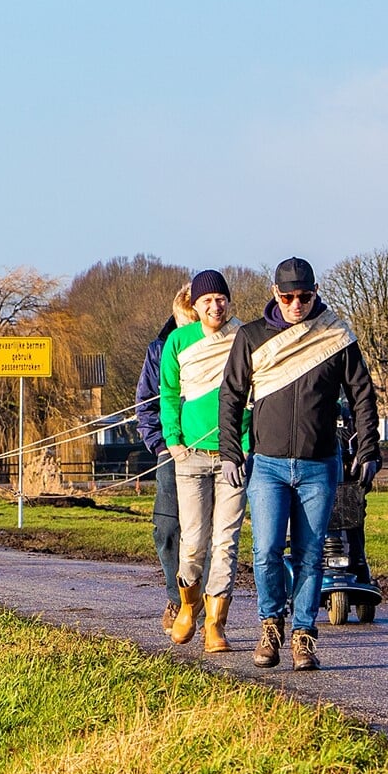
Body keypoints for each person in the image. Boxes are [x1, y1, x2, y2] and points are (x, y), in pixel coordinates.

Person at [220, 257, 381, 672]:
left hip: (318, 465)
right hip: (268, 464)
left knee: (311, 556)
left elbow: (362, 394)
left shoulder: (334, 336)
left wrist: (368, 448)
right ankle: (271, 626)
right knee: (267, 550)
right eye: (288, 297)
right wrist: (229, 453)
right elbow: (232, 395)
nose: (296, 305)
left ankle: (304, 637)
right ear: (275, 294)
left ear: (315, 293)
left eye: (304, 297)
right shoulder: (252, 337)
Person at [161, 270, 247, 652]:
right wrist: (174, 441)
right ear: (195, 306)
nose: (216, 306)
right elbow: (168, 394)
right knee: (194, 540)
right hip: (191, 458)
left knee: (226, 541)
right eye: (207, 300)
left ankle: (216, 623)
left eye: (221, 298)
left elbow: (255, 392)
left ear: (229, 301)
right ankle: (188, 605)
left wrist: (244, 443)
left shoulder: (244, 337)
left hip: (233, 456)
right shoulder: (178, 341)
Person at [135, 285, 194, 635]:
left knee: (210, 532)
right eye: (184, 323)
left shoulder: (220, 346)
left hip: (211, 449)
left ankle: (208, 605)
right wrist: (159, 445)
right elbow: (145, 404)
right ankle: (177, 597)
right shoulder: (158, 351)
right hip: (170, 453)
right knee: (167, 527)